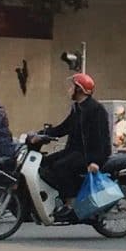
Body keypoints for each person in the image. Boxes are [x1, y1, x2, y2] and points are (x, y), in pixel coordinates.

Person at [34, 70, 110, 207]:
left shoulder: (95, 109)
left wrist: (95, 161)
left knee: (60, 167)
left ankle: (71, 202)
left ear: (80, 90)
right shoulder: (77, 108)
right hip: (73, 151)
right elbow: (63, 128)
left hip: (88, 155)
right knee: (43, 162)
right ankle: (56, 198)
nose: (69, 90)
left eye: (72, 87)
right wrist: (40, 134)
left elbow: (102, 138)